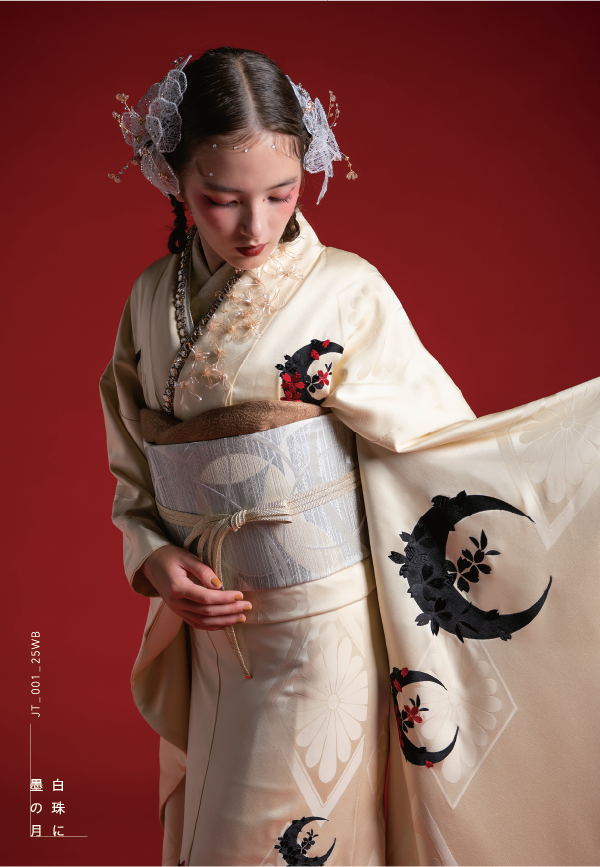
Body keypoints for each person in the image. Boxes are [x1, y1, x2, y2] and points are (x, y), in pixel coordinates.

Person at [101, 48, 600, 867]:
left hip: (319, 637)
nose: (255, 226)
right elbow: (132, 457)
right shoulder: (151, 298)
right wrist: (153, 554)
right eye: (221, 199)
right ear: (173, 178)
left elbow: (442, 449)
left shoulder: (348, 291)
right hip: (209, 639)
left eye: (281, 193)